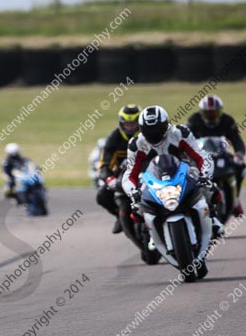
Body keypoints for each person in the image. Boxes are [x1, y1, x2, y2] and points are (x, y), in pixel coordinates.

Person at [122, 105, 224, 237]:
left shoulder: (180, 133)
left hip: (182, 172)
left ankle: (212, 217)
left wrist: (205, 175)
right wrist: (132, 191)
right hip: (153, 178)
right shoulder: (136, 144)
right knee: (137, 204)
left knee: (207, 186)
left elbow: (202, 156)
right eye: (148, 130)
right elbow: (130, 174)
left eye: (157, 129)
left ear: (166, 125)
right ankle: (148, 232)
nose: (153, 134)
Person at [186, 94, 245, 217]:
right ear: (202, 112)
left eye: (214, 112)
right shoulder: (193, 120)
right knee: (188, 173)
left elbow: (236, 140)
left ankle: (235, 200)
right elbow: (186, 140)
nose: (212, 115)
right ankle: (189, 203)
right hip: (201, 157)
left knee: (241, 168)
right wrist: (187, 156)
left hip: (222, 155)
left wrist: (239, 154)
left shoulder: (227, 121)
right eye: (208, 113)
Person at [97, 104, 141, 234]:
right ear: (121, 124)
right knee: (102, 196)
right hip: (123, 175)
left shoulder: (146, 134)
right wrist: (109, 178)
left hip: (148, 172)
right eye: (127, 125)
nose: (130, 128)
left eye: (133, 124)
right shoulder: (114, 138)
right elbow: (104, 163)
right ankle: (119, 215)